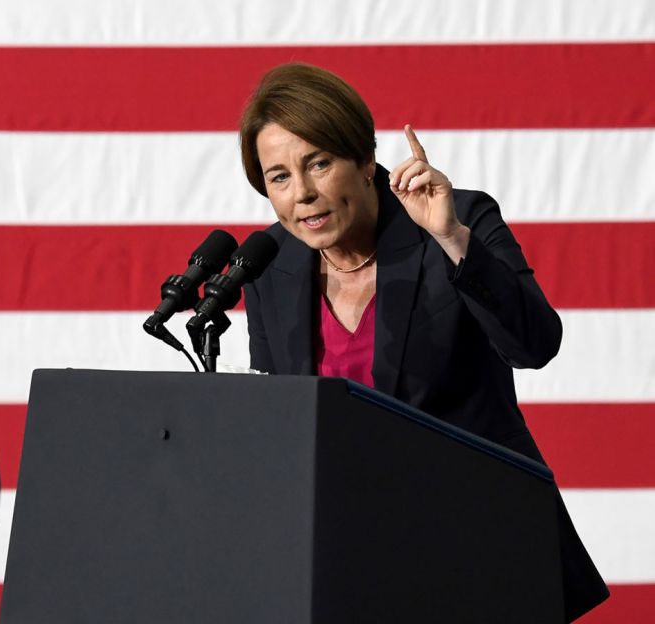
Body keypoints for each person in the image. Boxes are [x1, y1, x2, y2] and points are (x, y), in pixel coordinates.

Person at [239, 62, 608, 621]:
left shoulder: (455, 217)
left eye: (319, 163)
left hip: (477, 539)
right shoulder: (270, 264)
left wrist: (450, 237)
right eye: (280, 177)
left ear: (365, 160)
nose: (303, 195)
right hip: (351, 554)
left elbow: (535, 346)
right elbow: (281, 421)